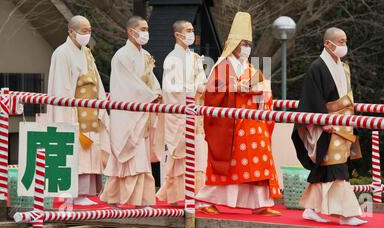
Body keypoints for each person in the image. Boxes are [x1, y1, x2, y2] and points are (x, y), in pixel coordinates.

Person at [195, 12, 281, 216]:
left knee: (259, 162)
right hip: (232, 127)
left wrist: (262, 90)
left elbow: (265, 93)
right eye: (243, 43)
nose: (246, 48)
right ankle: (205, 200)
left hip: (254, 124)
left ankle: (260, 203)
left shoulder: (251, 68)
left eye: (249, 44)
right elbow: (212, 92)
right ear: (231, 44)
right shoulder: (222, 66)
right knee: (228, 167)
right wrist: (236, 88)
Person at [291, 27, 367, 226]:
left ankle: (310, 208)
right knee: (336, 168)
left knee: (326, 169)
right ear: (327, 43)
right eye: (340, 42)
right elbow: (312, 96)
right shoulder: (317, 66)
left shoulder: (342, 66)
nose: (344, 45)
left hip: (343, 123)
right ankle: (346, 214)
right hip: (327, 123)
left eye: (345, 41)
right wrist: (322, 120)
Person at [47, 15, 110, 206]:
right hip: (74, 109)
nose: (87, 34)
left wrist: (101, 105)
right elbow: (61, 87)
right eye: (84, 30)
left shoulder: (87, 53)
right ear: (71, 32)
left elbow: (97, 81)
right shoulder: (62, 53)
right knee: (75, 151)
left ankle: (84, 193)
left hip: (90, 109)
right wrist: (65, 116)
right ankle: (69, 193)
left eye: (89, 30)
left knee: (90, 152)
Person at [100, 16, 162, 208]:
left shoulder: (144, 55)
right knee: (126, 155)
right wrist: (150, 95)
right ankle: (115, 197)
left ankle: (141, 199)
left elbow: (150, 78)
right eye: (142, 28)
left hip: (142, 112)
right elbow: (128, 84)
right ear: (130, 31)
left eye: (147, 28)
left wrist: (157, 92)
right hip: (128, 113)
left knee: (140, 157)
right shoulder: (121, 56)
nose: (145, 32)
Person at [155, 20, 208, 205]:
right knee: (182, 157)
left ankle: (197, 196)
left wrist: (205, 86)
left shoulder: (193, 58)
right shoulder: (171, 59)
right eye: (188, 30)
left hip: (196, 113)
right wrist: (196, 88)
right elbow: (172, 88)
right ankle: (180, 196)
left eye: (193, 30)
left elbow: (202, 79)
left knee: (199, 154)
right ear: (178, 35)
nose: (192, 33)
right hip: (181, 115)